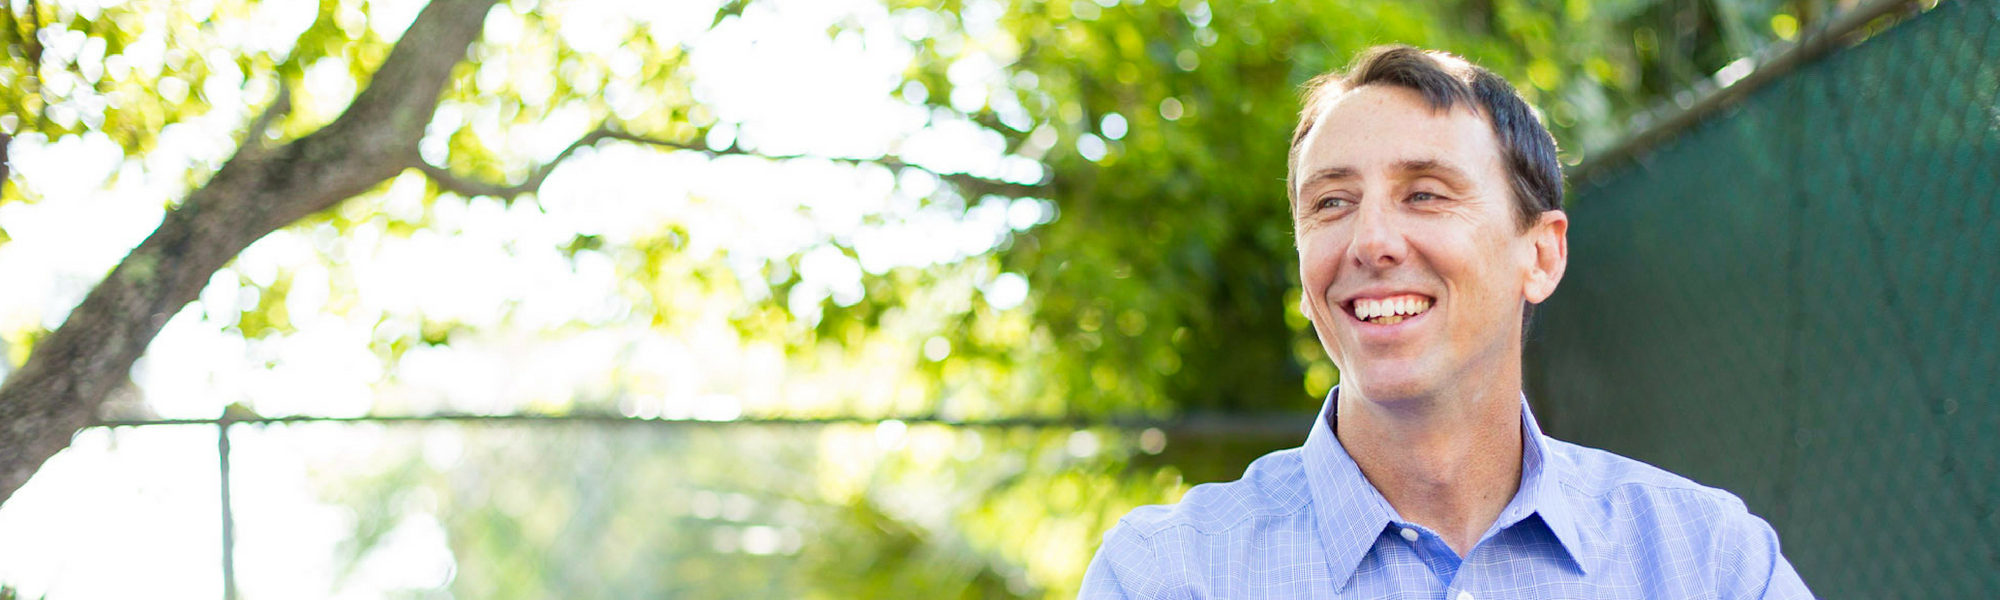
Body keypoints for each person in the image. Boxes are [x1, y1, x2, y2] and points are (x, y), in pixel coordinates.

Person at [1079, 45, 1811, 599]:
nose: (1370, 242)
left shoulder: (1711, 564)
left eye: (1425, 194)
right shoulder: (1165, 577)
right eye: (1331, 203)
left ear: (1542, 254)